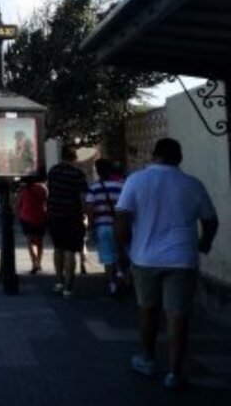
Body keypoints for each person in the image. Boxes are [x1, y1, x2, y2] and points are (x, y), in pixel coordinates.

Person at [116, 138, 219, 390]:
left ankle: (147, 359)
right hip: (182, 259)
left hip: (144, 258)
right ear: (179, 158)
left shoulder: (136, 181)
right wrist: (204, 243)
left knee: (147, 310)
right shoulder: (192, 184)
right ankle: (174, 372)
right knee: (178, 315)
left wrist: (124, 254)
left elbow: (122, 219)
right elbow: (211, 220)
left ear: (154, 155)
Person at [46, 145, 89, 299]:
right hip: (72, 216)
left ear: (62, 156)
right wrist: (85, 214)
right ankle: (68, 288)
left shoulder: (53, 171)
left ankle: (59, 281)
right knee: (70, 250)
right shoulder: (78, 174)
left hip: (54, 215)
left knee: (58, 248)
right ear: (75, 157)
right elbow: (83, 197)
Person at [85, 158, 125, 297]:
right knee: (121, 252)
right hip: (119, 225)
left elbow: (90, 208)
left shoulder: (93, 188)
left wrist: (91, 225)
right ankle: (121, 274)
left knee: (107, 257)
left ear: (97, 171)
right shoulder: (121, 186)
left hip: (102, 226)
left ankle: (112, 285)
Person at [14, 178, 47, 274]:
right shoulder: (43, 188)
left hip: (27, 217)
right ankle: (39, 262)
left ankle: (34, 262)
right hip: (41, 216)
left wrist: (17, 213)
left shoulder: (23, 190)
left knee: (30, 241)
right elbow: (47, 201)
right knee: (39, 241)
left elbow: (17, 204)